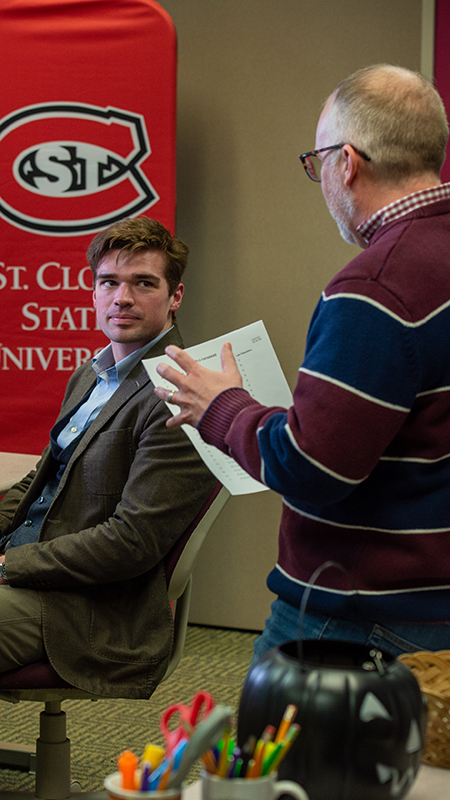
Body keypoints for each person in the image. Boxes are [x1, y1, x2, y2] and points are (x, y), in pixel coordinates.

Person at [155, 64, 450, 659]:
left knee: (284, 755)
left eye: (316, 163)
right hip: (432, 602)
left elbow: (315, 469)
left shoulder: (376, 287)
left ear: (348, 162)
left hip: (363, 617)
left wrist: (222, 408)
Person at [0, 216, 216, 698]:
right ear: (94, 292)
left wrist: (6, 564)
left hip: (87, 609)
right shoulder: (91, 374)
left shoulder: (177, 394)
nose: (122, 298)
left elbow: (131, 542)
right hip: (29, 573)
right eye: (109, 282)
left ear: (175, 298)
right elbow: (41, 481)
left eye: (143, 283)